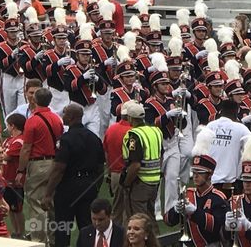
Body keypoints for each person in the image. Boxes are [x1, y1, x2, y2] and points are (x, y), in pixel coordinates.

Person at [46, 103, 106, 247]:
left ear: (71, 117)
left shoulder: (66, 139)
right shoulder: (94, 138)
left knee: (62, 227)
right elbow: (100, 167)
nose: (63, 115)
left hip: (68, 187)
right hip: (88, 186)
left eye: (65, 113)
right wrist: (95, 186)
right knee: (87, 227)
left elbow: (59, 168)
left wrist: (48, 193)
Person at [18, 87, 65, 246]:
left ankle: (38, 241)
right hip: (55, 163)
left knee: (36, 204)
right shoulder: (57, 118)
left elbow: (26, 148)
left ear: (35, 100)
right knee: (50, 202)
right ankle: (52, 240)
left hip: (38, 164)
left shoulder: (33, 120)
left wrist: (20, 170)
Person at [120, 100, 163, 224]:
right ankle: (156, 242)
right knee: (151, 218)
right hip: (155, 181)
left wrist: (127, 183)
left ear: (130, 118)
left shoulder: (134, 135)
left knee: (139, 221)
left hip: (140, 183)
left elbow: (135, 165)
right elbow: (161, 155)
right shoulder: (156, 131)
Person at [203, 100, 251, 190]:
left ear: (221, 111)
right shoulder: (240, 128)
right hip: (229, 184)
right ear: (236, 112)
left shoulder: (210, 126)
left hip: (209, 181)